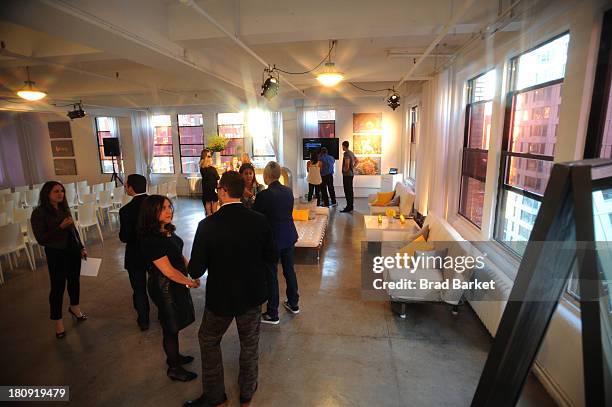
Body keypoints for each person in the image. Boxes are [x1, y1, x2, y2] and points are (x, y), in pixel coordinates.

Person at [185, 171, 277, 407]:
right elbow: (271, 256)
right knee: (250, 343)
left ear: (223, 190)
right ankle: (247, 393)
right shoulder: (259, 220)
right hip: (252, 294)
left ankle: (215, 397)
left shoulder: (207, 225)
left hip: (221, 298)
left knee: (208, 339)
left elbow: (196, 270)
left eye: (218, 189)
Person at [139, 195, 200, 382]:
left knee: (176, 322)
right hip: (164, 286)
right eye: (163, 208)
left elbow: (178, 256)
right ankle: (174, 367)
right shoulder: (151, 239)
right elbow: (168, 271)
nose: (169, 211)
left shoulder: (166, 230)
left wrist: (191, 270)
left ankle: (175, 356)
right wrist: (188, 282)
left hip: (175, 282)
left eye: (169, 206)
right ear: (152, 213)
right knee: (170, 326)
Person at [31, 181, 87, 339]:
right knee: (57, 287)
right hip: (56, 253)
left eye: (62, 191)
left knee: (74, 281)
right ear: (47, 193)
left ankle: (75, 307)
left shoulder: (64, 208)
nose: (60, 194)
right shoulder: (39, 213)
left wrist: (81, 247)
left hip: (72, 250)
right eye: (56, 191)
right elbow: (41, 238)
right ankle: (58, 321)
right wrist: (60, 227)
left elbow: (73, 230)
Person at [253, 161, 300, 324]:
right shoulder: (288, 192)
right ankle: (293, 303)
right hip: (289, 236)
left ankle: (273, 313)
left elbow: (255, 217)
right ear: (279, 175)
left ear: (266, 176)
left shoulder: (264, 195)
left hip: (272, 240)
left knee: (271, 274)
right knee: (289, 270)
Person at [119, 174, 150, 331]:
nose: (125, 187)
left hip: (135, 253)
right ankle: (163, 314)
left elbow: (124, 237)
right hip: (155, 252)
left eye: (126, 185)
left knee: (139, 288)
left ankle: (143, 320)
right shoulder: (155, 204)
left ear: (131, 188)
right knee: (158, 285)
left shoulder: (125, 210)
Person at [200, 149, 220, 217]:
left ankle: (209, 215)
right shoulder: (212, 169)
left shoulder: (202, 168)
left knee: (208, 201)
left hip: (205, 187)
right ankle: (214, 214)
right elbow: (218, 177)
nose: (211, 157)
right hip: (212, 187)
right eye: (209, 156)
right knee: (215, 200)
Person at [340, 140, 358, 213]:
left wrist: (345, 170)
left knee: (347, 191)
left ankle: (348, 207)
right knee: (350, 191)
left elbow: (347, 164)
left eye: (342, 146)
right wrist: (352, 168)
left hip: (347, 175)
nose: (342, 148)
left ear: (344, 146)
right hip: (351, 174)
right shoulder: (351, 153)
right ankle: (351, 206)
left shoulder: (346, 154)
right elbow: (357, 161)